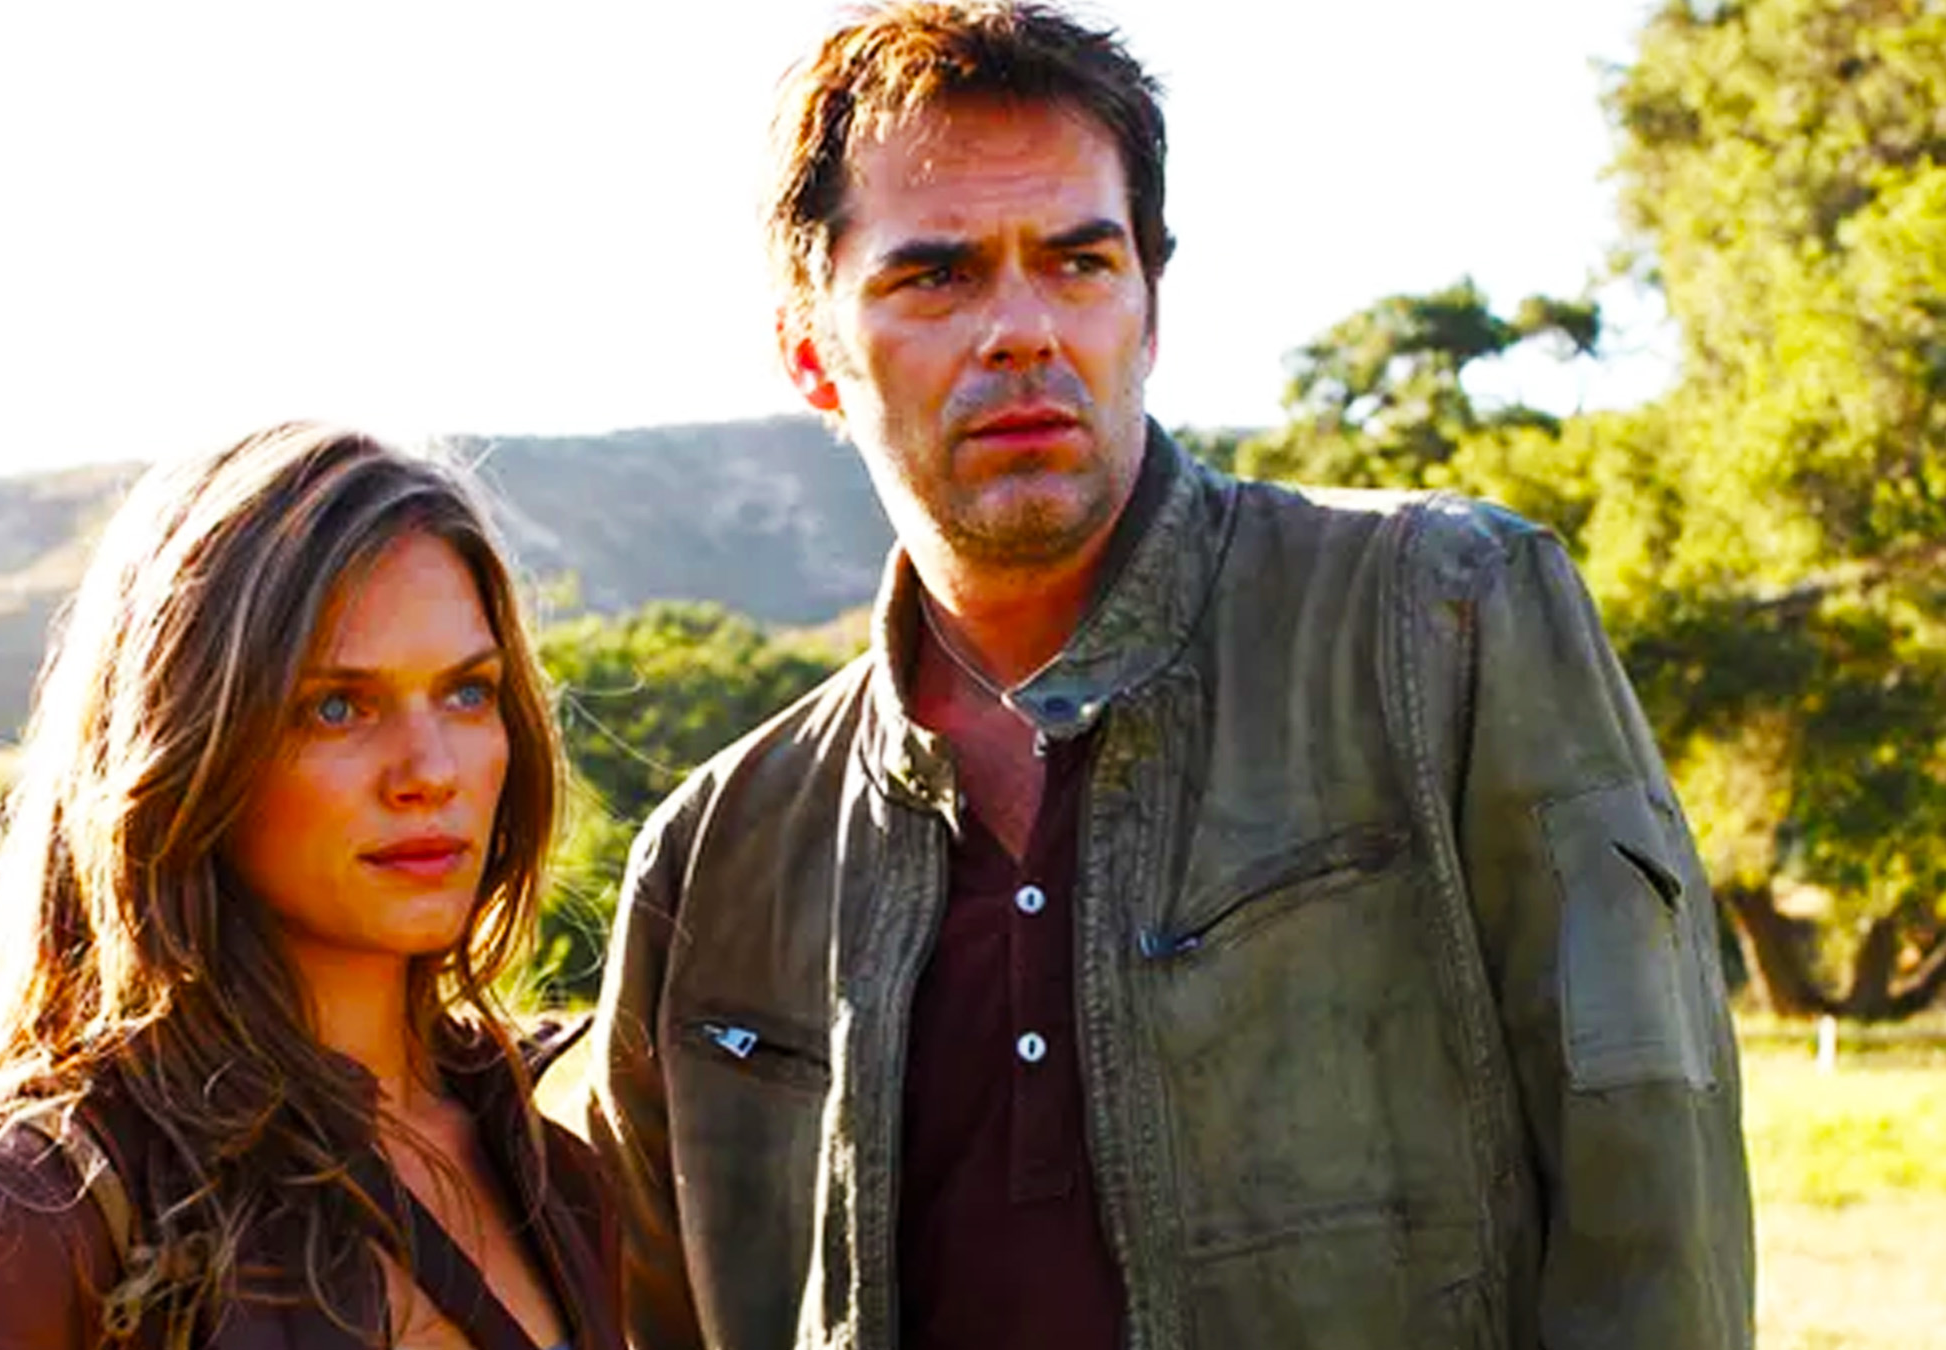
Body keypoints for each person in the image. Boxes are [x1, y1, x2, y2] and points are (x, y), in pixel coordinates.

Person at [581, 3, 1753, 1347]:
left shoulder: (1447, 619)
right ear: (810, 349)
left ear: (1149, 311)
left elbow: (1651, 1200)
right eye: (937, 277)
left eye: (1079, 261)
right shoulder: (713, 863)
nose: (1021, 329)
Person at [0, 423, 620, 1348]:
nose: (431, 770)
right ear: (191, 745)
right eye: (336, 706)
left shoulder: (552, 1174)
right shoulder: (46, 1198)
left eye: (467, 692)